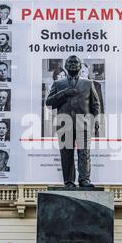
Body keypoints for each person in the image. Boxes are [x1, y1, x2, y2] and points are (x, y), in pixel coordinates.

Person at [45, 55, 100, 187]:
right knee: (66, 154)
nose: (73, 64)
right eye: (70, 62)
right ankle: (69, 181)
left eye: (76, 62)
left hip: (84, 122)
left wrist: (96, 120)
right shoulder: (59, 84)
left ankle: (84, 180)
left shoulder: (88, 83)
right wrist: (63, 93)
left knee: (84, 152)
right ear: (65, 66)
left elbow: (95, 105)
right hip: (64, 124)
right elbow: (49, 103)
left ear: (80, 66)